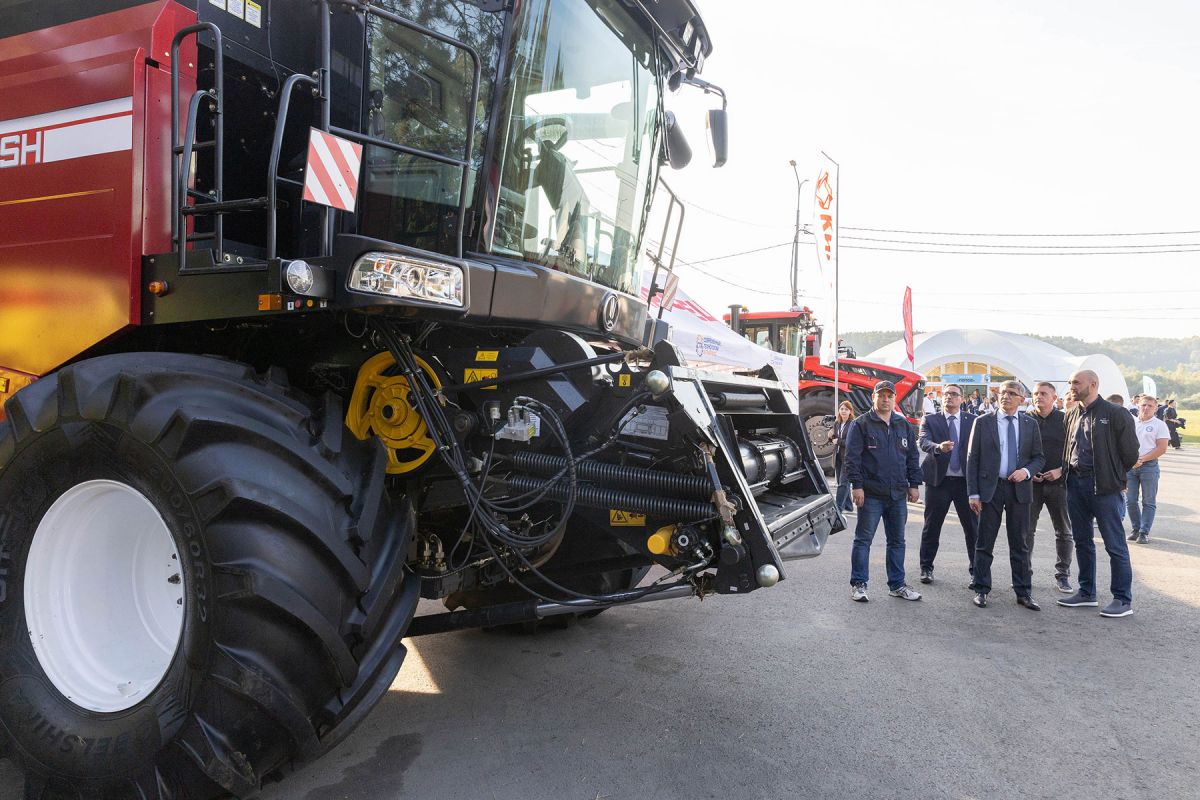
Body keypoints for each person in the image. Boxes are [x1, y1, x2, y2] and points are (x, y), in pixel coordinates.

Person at [1055, 370, 1139, 618]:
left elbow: (1130, 454)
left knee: (1115, 545)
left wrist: (1112, 477)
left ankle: (1122, 599)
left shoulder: (1115, 413)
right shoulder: (1071, 413)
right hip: (1075, 485)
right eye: (1070, 382)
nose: (1072, 386)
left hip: (1103, 488)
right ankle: (1086, 592)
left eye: (1076, 383)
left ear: (1093, 384)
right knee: (1082, 540)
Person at [966, 380, 1045, 609]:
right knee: (985, 542)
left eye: (1012, 393)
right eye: (1002, 393)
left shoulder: (1030, 424)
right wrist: (973, 493)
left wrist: (1026, 471)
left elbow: (1039, 457)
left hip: (1019, 490)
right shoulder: (983, 422)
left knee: (1019, 543)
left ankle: (1023, 592)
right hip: (991, 489)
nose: (1006, 397)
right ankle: (981, 589)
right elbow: (973, 459)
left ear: (1022, 399)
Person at [844, 380, 923, 603]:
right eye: (882, 395)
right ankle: (859, 584)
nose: (885, 399)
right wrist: (856, 486)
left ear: (895, 398)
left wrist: (914, 484)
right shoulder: (861, 424)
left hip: (898, 494)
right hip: (870, 494)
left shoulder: (902, 424)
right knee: (863, 540)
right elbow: (852, 459)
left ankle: (897, 585)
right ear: (874, 397)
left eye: (889, 395)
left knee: (897, 541)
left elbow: (912, 457)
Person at [916, 383, 978, 585]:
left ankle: (976, 571)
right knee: (931, 527)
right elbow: (923, 441)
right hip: (938, 482)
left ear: (962, 398)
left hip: (965, 484)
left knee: (972, 529)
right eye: (946, 394)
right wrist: (938, 447)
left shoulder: (973, 421)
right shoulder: (931, 419)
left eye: (954, 394)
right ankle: (926, 568)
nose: (949, 397)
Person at [1026, 381, 1074, 593]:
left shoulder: (1066, 420)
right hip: (1031, 484)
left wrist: (1061, 471)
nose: (1039, 397)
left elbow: (1077, 452)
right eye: (1036, 393)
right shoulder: (1025, 420)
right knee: (1026, 530)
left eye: (1044, 393)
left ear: (1055, 398)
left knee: (1063, 531)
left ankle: (1062, 575)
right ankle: (1023, 573)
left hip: (1059, 484)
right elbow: (1018, 451)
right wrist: (1027, 471)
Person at [1126, 395, 1170, 543]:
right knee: (1130, 500)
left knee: (1148, 501)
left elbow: (1162, 448)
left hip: (1149, 466)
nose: (1146, 408)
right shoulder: (1131, 422)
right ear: (1138, 405)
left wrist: (1142, 460)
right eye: (1143, 405)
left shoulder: (1159, 425)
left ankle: (1144, 532)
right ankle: (1136, 529)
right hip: (1130, 466)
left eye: (1150, 406)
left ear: (1156, 408)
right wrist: (1131, 461)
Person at [828, 401, 856, 514]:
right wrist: (830, 437)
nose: (843, 411)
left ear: (850, 411)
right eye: (842, 409)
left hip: (849, 458)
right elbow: (834, 439)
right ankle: (848, 506)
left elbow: (853, 442)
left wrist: (838, 441)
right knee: (842, 482)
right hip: (838, 456)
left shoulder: (853, 424)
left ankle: (838, 508)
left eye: (846, 409)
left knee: (843, 483)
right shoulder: (837, 423)